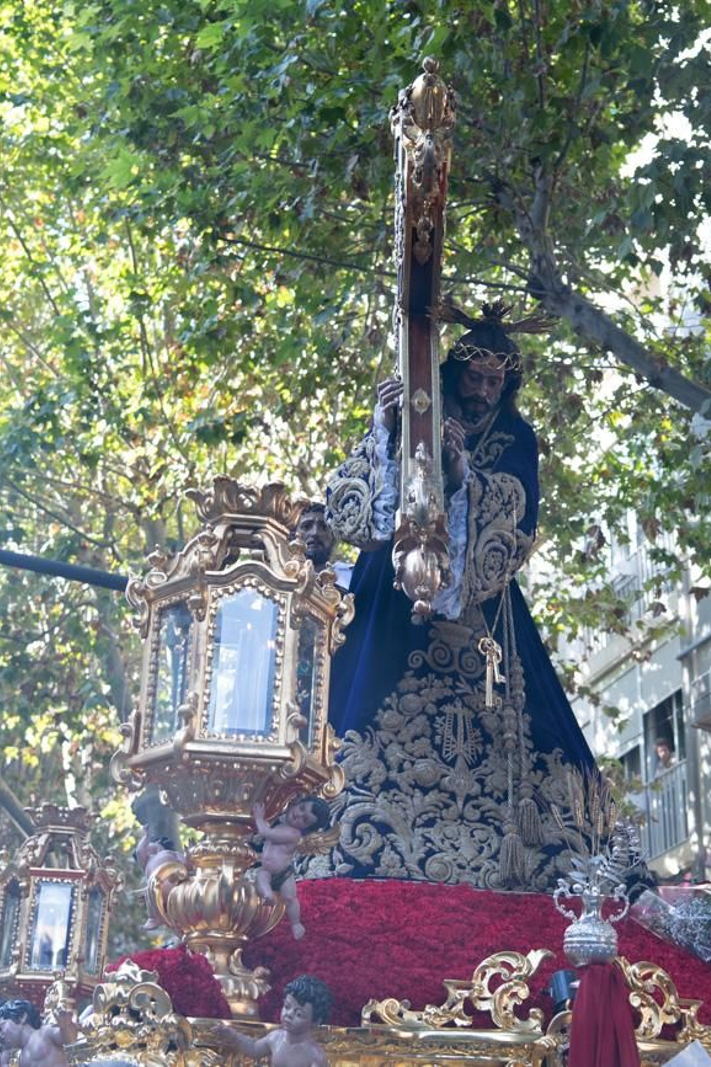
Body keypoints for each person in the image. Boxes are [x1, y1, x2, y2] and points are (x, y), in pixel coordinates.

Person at [314, 304, 595, 890]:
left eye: (497, 381)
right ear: (451, 374)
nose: (486, 391)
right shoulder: (413, 407)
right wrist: (387, 428)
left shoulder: (516, 436)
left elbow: (518, 516)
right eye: (476, 378)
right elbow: (355, 501)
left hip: (481, 600)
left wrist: (465, 474)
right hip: (389, 585)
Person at [250, 796, 330, 940]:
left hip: (284, 874)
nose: (299, 815)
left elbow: (266, 833)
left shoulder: (293, 833)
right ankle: (268, 895)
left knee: (290, 898)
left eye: (304, 820)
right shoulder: (281, 826)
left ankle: (296, 924)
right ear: (295, 804)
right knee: (261, 876)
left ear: (306, 829)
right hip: (267, 870)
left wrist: (259, 818)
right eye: (301, 808)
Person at [213, 974, 333, 1066]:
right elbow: (254, 1049)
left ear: (315, 1021)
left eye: (299, 1014)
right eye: (287, 1006)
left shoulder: (314, 1055)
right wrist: (231, 1034)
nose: (289, 1015)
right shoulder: (276, 1038)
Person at [0, 998, 75, 1067]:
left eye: (0, 1028)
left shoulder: (45, 1033)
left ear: (21, 1017)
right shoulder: (19, 1057)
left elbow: (69, 1039)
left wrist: (65, 1026)